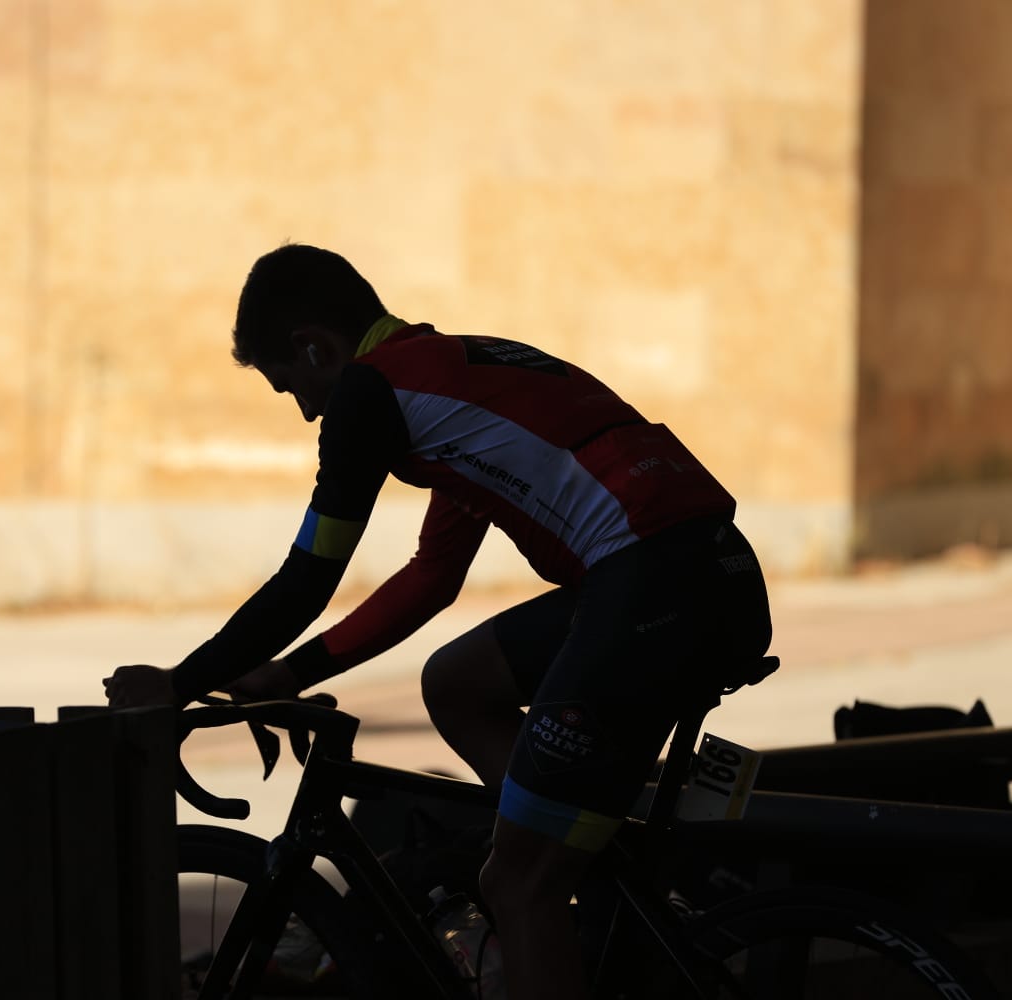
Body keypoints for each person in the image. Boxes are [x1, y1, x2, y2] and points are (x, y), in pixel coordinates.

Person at [104, 244, 773, 999]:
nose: (306, 411)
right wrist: (289, 675)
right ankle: (584, 859)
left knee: (517, 885)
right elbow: (431, 579)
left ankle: (551, 872)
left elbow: (306, 578)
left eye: (290, 387)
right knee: (457, 682)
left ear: (313, 346)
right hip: (701, 573)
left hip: (653, 585)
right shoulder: (449, 378)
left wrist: (181, 682)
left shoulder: (368, 394)